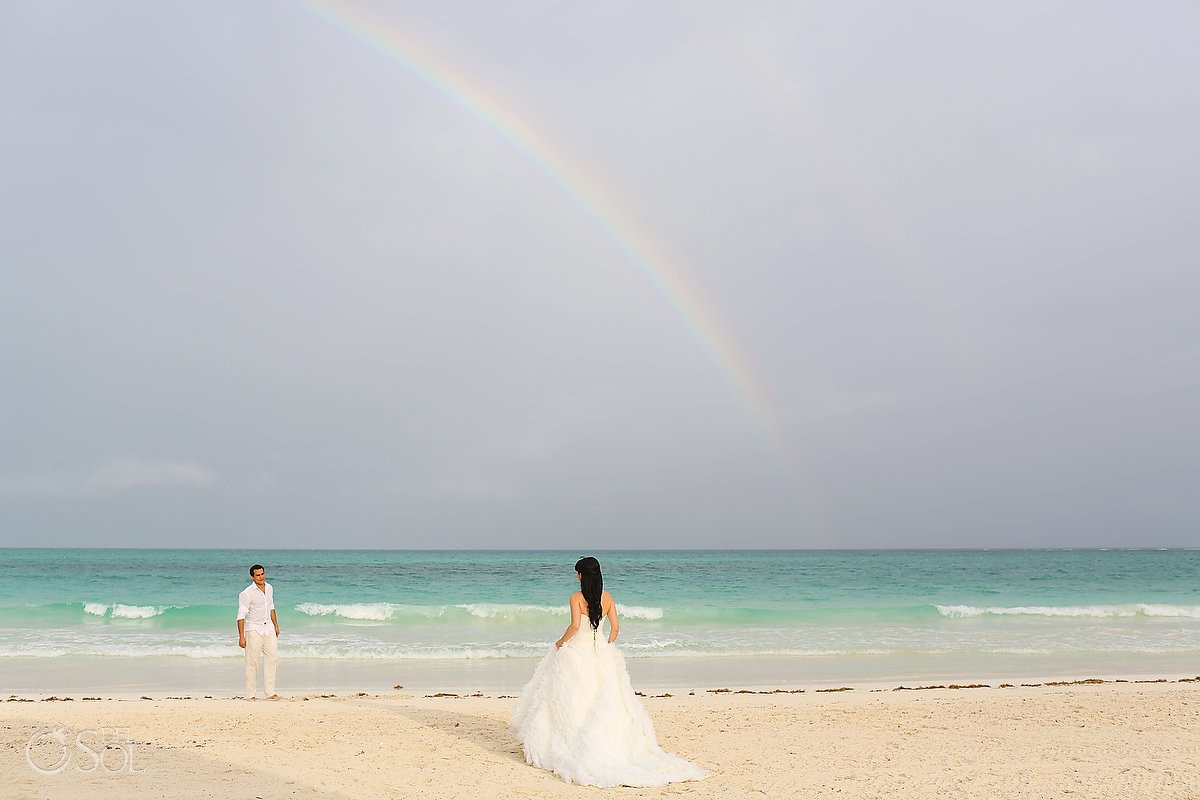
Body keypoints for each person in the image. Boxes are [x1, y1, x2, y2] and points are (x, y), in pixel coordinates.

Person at [509, 557, 707, 787]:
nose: (576, 577)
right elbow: (615, 628)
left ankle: (572, 741)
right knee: (600, 699)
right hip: (600, 653)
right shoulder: (608, 598)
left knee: (572, 698)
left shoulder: (575, 598)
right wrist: (606, 646)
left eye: (577, 573)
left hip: (577, 653)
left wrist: (559, 643)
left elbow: (574, 627)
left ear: (583, 576)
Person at [236, 564, 281, 701]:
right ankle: (250, 695)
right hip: (254, 630)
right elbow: (240, 616)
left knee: (272, 659)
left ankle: (270, 693)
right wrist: (241, 637)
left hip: (269, 629)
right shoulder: (246, 593)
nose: (261, 577)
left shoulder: (269, 588)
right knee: (252, 663)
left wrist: (276, 625)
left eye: (262, 574)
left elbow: (271, 607)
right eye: (258, 575)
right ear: (252, 577)